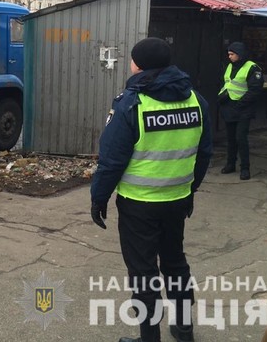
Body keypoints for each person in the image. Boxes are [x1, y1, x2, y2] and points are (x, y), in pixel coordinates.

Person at [90, 37, 213, 342]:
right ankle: (183, 329)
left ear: (138, 65)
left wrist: (99, 197)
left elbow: (111, 160)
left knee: (144, 273)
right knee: (175, 263)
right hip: (177, 200)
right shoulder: (196, 100)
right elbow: (204, 153)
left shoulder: (132, 103)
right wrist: (190, 189)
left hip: (139, 204)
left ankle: (149, 338)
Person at [218, 41, 263, 180]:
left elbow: (255, 90)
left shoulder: (252, 68)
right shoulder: (229, 66)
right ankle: (230, 164)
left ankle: (245, 168)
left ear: (240, 54)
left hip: (244, 108)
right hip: (229, 107)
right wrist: (221, 96)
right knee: (231, 138)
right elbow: (227, 84)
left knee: (241, 138)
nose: (229, 57)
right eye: (228, 54)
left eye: (232, 54)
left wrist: (240, 104)